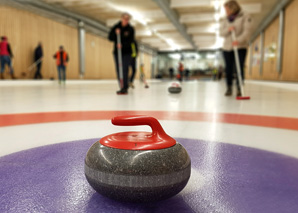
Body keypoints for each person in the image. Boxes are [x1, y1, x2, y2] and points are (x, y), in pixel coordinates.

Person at [220, 0, 252, 97]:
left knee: (239, 67)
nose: (226, 12)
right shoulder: (225, 19)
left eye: (227, 10)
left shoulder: (245, 16)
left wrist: (238, 40)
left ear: (233, 8)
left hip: (240, 46)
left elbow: (247, 31)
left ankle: (239, 88)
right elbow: (221, 33)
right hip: (227, 47)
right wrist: (228, 29)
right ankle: (229, 87)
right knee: (228, 68)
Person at [108, 13, 135, 95]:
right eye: (125, 19)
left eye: (127, 19)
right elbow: (110, 38)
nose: (126, 20)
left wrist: (123, 45)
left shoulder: (130, 29)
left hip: (127, 52)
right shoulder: (116, 27)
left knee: (125, 69)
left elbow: (131, 41)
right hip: (117, 52)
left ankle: (125, 87)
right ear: (121, 18)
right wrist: (115, 33)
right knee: (119, 69)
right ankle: (122, 86)